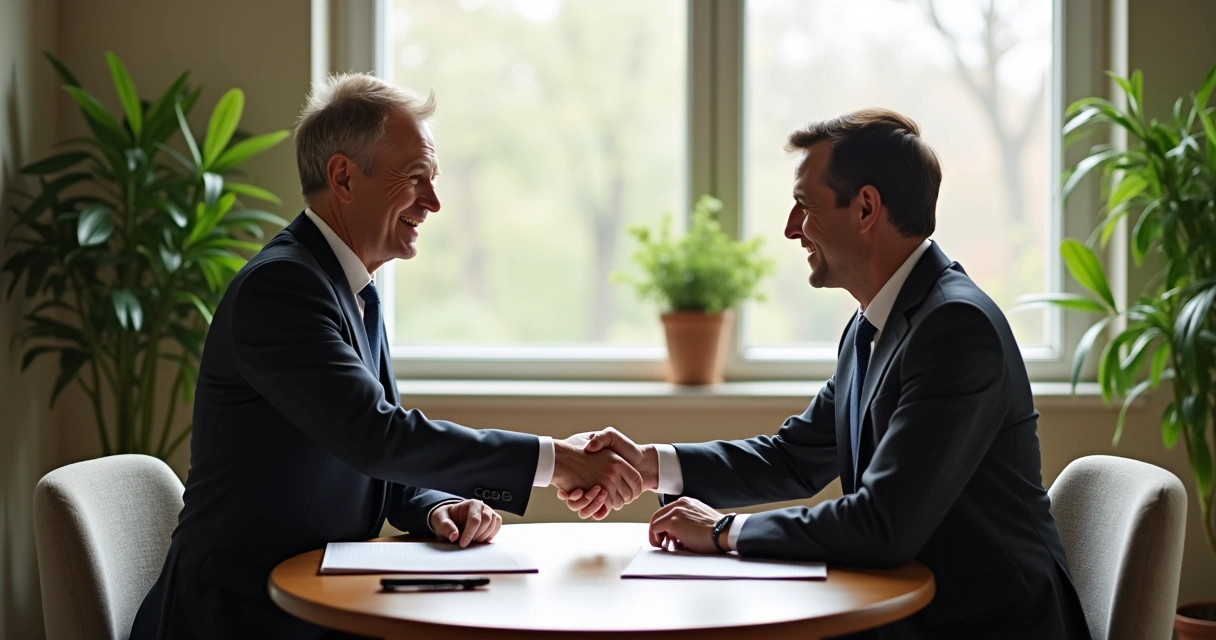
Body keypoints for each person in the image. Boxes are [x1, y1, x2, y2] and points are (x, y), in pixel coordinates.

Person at [130, 73, 641, 640]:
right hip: (239, 615)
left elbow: (376, 461)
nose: (435, 202)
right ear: (344, 177)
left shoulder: (354, 291)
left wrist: (434, 508)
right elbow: (376, 437)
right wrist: (558, 460)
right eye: (416, 177)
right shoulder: (282, 288)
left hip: (313, 600)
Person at [560, 109, 1091, 639]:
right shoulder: (874, 323)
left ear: (865, 208)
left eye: (805, 207)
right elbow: (794, 457)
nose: (791, 229)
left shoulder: (955, 327)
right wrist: (649, 466)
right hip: (917, 611)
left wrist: (723, 531)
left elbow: (883, 526)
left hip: (990, 625)